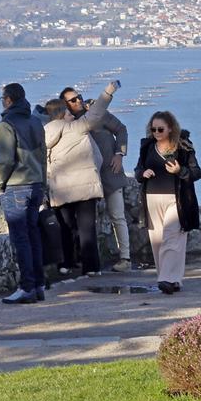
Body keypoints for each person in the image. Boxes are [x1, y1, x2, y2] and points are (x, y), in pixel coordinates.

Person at [43, 82, 118, 277]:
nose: (70, 115)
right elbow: (96, 113)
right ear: (61, 115)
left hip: (60, 189)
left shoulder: (43, 135)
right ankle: (91, 268)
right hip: (84, 188)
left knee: (65, 228)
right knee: (87, 229)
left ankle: (65, 264)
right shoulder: (75, 128)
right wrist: (108, 91)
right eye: (67, 113)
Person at [62, 86, 131, 272]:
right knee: (85, 222)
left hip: (109, 172)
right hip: (84, 179)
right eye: (73, 100)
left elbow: (121, 129)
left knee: (117, 215)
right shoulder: (66, 124)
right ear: (65, 105)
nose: (78, 101)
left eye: (79, 97)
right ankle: (82, 260)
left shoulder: (96, 112)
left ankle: (125, 258)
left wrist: (119, 153)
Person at [0, 82, 48, 305]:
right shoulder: (35, 122)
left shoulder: (6, 125)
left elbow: (6, 160)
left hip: (17, 185)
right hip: (36, 183)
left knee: (21, 238)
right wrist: (43, 182)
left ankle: (26, 286)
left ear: (8, 100)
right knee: (34, 236)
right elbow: (43, 155)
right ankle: (38, 285)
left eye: (2, 99)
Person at [137, 111, 201, 294]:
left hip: (177, 199)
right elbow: (138, 169)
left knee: (171, 238)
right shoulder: (147, 147)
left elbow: (196, 173)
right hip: (152, 198)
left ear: (170, 128)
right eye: (153, 129)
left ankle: (165, 278)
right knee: (157, 242)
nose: (156, 132)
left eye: (160, 129)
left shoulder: (184, 148)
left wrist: (180, 170)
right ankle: (173, 280)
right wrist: (142, 174)